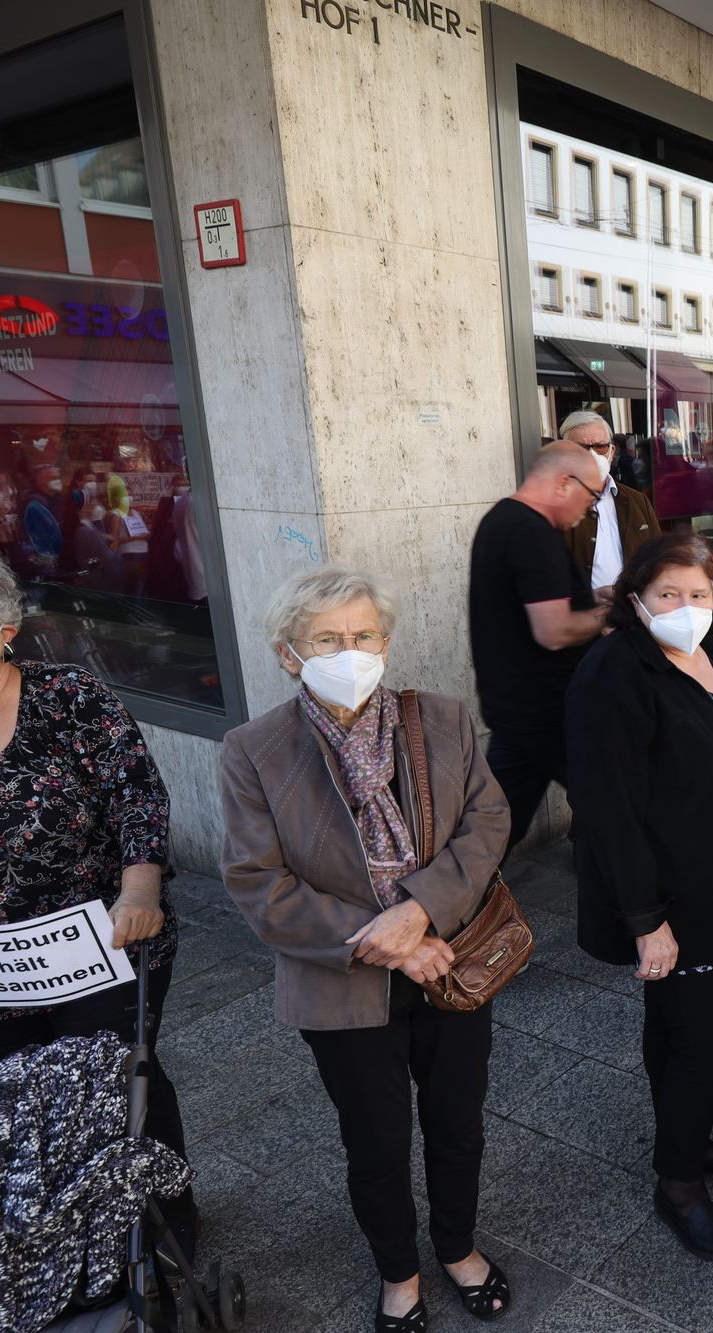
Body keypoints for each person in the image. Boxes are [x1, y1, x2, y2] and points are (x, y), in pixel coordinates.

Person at [220, 565, 513, 1329]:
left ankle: (456, 1246)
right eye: (326, 639)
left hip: (451, 956)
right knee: (375, 1142)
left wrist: (420, 913)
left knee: (458, 1122)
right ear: (290, 653)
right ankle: (398, 1271)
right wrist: (388, 943)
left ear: (385, 642)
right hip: (342, 981)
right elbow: (260, 883)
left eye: (362, 636)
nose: (347, 651)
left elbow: (487, 823)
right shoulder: (254, 749)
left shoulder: (443, 718)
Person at [0, 547, 196, 1246]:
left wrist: (141, 887)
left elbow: (137, 795)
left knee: (122, 1082)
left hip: (102, 937)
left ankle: (168, 1222)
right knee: (17, 1099)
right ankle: (71, 1232)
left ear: (3, 630)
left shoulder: (68, 699)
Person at [567, 534, 713, 1261]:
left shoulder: (709, 654)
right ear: (635, 600)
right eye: (667, 595)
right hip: (667, 896)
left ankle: (684, 1136)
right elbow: (608, 810)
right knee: (712, 1036)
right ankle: (678, 1183)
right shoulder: (615, 674)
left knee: (675, 1028)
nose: (684, 608)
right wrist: (646, 921)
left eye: (699, 595)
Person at [466, 441, 609, 848]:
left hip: (522, 707)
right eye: (592, 495)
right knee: (613, 803)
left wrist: (592, 598)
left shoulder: (502, 519)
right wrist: (611, 615)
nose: (591, 508)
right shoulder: (531, 532)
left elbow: (528, 606)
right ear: (564, 482)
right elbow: (555, 630)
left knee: (493, 828)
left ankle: (454, 898)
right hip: (547, 711)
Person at [560, 410, 658, 610]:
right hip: (582, 627)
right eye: (580, 448)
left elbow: (659, 560)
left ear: (612, 452)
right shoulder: (554, 508)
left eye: (600, 446)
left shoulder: (637, 501)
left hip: (634, 619)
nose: (592, 455)